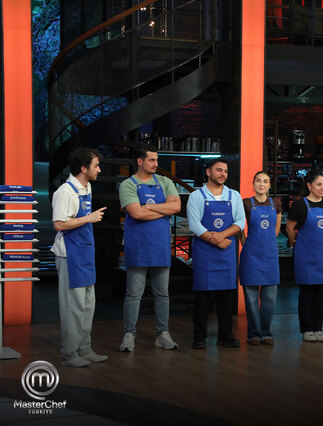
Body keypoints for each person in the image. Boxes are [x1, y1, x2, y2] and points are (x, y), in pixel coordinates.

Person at [119, 144, 181, 352]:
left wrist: (150, 206)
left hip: (160, 245)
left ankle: (163, 334)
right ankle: (129, 335)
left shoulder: (165, 182)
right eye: (151, 160)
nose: (156, 164)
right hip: (138, 246)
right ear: (140, 161)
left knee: (162, 293)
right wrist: (163, 209)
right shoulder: (128, 185)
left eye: (156, 160)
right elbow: (136, 213)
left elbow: (176, 207)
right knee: (133, 293)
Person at [51, 148, 109, 367]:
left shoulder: (87, 187)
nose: (99, 170)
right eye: (96, 166)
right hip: (70, 255)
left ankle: (84, 349)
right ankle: (69, 354)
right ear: (84, 168)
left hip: (85, 252)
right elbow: (59, 224)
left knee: (87, 305)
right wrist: (89, 218)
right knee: (72, 308)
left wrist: (88, 219)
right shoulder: (65, 192)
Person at [187, 157, 245, 349]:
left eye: (225, 171)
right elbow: (194, 224)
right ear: (208, 172)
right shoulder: (197, 196)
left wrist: (220, 236)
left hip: (226, 253)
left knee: (227, 296)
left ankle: (225, 335)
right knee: (202, 297)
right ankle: (199, 337)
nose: (223, 174)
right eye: (219, 170)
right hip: (205, 253)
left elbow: (240, 222)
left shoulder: (234, 195)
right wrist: (216, 240)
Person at [286, 170, 323, 343]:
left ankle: (318, 328)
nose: (322, 188)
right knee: (307, 294)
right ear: (309, 185)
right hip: (306, 256)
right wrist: (294, 242)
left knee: (321, 296)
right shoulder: (299, 205)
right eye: (318, 184)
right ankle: (307, 329)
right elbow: (290, 228)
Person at [238, 171, 282, 346]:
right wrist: (246, 244)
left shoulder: (276, 203)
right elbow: (239, 227)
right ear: (253, 183)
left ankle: (267, 333)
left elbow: (277, 227)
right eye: (258, 181)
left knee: (269, 298)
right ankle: (254, 334)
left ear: (269, 185)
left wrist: (269, 241)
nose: (261, 184)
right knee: (250, 298)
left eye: (265, 181)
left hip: (270, 254)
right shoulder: (246, 203)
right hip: (251, 254)